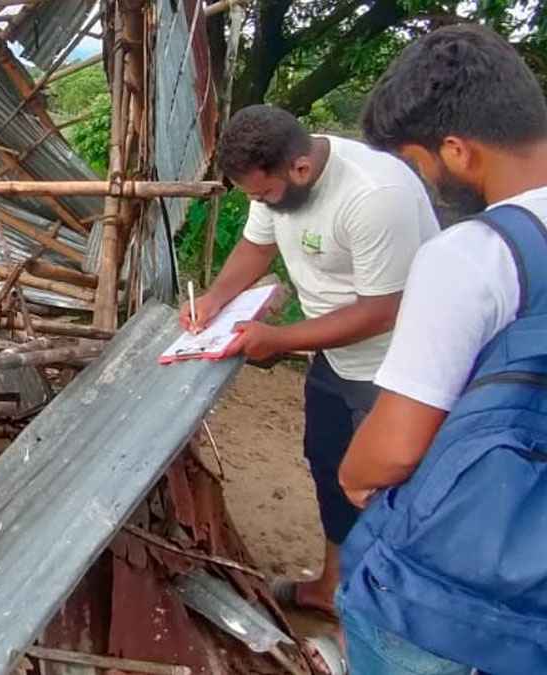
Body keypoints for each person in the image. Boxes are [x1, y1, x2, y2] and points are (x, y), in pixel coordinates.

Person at [338, 24, 547, 674]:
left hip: (460, 608)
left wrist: (353, 475)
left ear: (455, 150)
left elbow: (395, 447)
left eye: (416, 161)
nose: (420, 180)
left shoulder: (476, 256)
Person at [184, 105, 439, 620]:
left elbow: (382, 310)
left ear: (299, 170)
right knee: (328, 464)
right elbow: (256, 248)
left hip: (398, 367)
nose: (260, 204)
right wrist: (212, 300)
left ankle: (376, 620)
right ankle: (330, 587)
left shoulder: (373, 196)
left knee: (384, 489)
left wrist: (278, 339)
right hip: (336, 352)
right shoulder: (276, 172)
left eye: (263, 195)